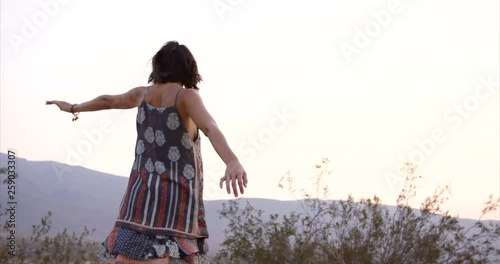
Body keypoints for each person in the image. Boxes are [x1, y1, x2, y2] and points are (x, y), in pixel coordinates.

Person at [46, 41, 248, 264]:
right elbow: (210, 127)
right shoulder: (187, 96)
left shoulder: (141, 95)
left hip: (140, 193)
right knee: (180, 255)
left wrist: (73, 107)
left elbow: (108, 101)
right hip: (176, 195)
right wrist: (232, 160)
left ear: (158, 66)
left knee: (129, 255)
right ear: (189, 68)